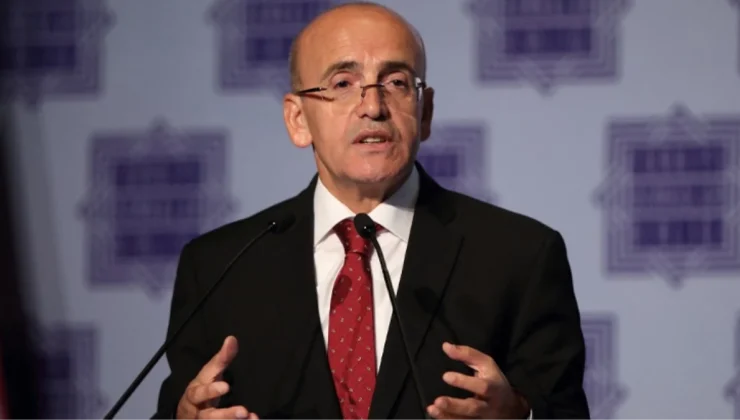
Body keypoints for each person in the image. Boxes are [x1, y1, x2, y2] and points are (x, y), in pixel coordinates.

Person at [153, 2, 590, 419]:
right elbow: (180, 407)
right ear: (298, 119)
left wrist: (518, 415)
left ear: (425, 111)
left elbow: (565, 411)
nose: (374, 107)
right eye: (343, 83)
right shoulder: (220, 266)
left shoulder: (519, 256)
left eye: (396, 82)